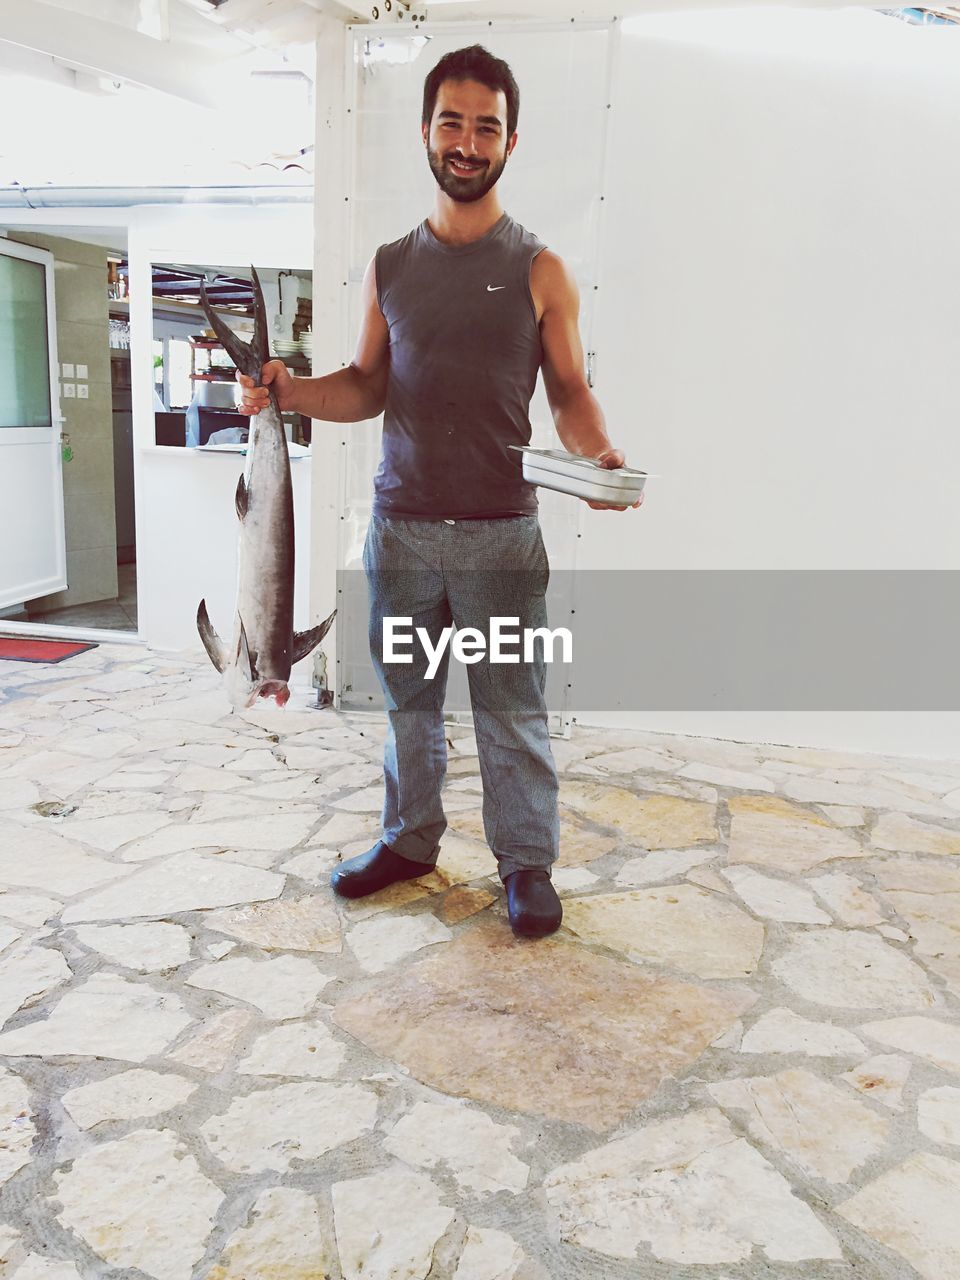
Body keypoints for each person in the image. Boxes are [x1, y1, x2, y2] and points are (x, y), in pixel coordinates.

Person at [237, 44, 642, 939]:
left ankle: (525, 864)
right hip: (404, 533)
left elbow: (570, 392)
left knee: (511, 710)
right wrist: (290, 391)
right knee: (408, 708)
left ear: (510, 140)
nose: (467, 141)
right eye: (452, 122)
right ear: (426, 131)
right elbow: (367, 384)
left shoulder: (541, 269)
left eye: (485, 127)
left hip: (502, 534)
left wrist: (601, 456)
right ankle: (409, 841)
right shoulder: (390, 266)